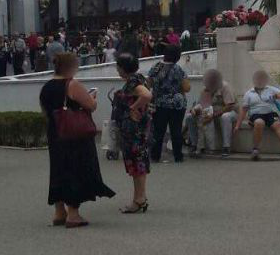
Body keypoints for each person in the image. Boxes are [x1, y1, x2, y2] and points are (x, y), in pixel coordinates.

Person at [39, 53, 115, 228]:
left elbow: (45, 111)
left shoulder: (47, 87)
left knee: (58, 169)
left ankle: (59, 211)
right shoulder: (71, 84)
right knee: (76, 169)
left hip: (55, 132)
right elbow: (91, 105)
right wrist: (93, 97)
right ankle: (73, 214)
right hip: (74, 135)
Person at [112, 53, 153, 213]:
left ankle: (139, 199)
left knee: (136, 162)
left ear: (122, 68)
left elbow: (147, 95)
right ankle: (139, 198)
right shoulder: (139, 78)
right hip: (138, 129)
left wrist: (132, 108)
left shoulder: (133, 82)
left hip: (134, 130)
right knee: (138, 163)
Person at [233, 70, 280, 160]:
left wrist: (276, 96)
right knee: (259, 123)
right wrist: (237, 126)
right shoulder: (249, 93)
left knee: (277, 124)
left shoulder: (270, 89)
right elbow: (244, 110)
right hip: (256, 115)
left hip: (270, 113)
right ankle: (255, 150)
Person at [148, 45, 190, 163]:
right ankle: (178, 156)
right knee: (176, 130)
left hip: (159, 103)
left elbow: (149, 84)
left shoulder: (156, 67)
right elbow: (186, 87)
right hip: (177, 104)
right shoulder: (178, 69)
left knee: (158, 131)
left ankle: (155, 156)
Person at [185, 69, 237, 158]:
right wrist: (193, 110)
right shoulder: (205, 89)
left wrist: (214, 115)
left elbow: (230, 106)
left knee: (225, 117)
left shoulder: (225, 86)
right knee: (189, 118)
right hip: (209, 113)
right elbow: (200, 104)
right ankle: (194, 144)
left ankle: (226, 146)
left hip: (227, 111)